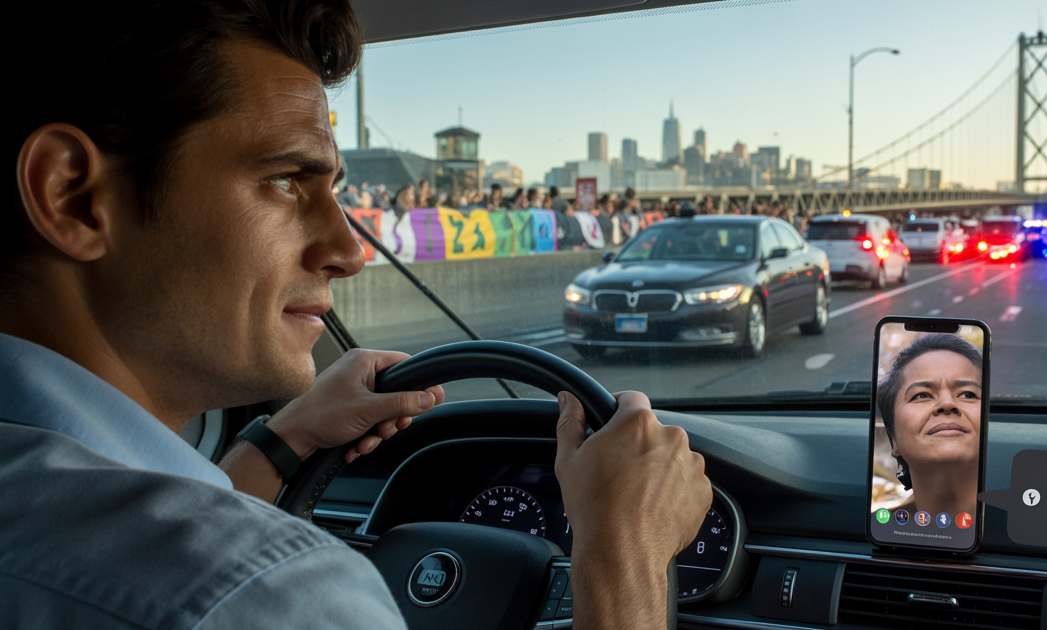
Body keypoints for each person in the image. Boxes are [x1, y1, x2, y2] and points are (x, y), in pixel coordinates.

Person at [1, 2, 712, 629]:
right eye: (286, 180)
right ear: (72, 197)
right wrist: (627, 555)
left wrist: (280, 443)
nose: (349, 249)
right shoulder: (270, 593)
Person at [876, 334, 983, 520]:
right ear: (894, 439)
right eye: (921, 395)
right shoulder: (881, 526)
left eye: (967, 394)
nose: (947, 403)